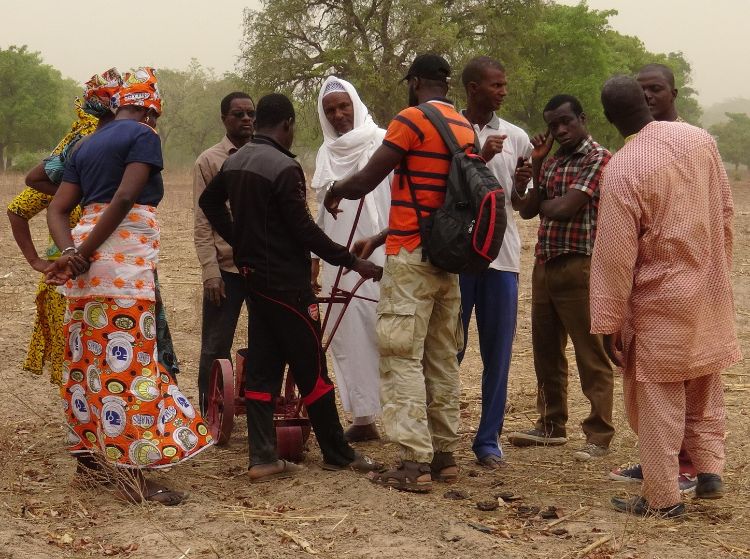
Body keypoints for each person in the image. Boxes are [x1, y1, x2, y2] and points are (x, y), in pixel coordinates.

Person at [46, 67, 212, 505]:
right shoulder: (143, 137)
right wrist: (87, 253)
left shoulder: (85, 145)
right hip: (122, 267)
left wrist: (72, 254)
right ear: (151, 111)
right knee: (129, 363)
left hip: (85, 271)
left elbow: (59, 210)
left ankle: (89, 465)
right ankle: (134, 476)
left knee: (87, 362)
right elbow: (124, 198)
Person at [199, 93, 383, 482]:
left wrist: (239, 240)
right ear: (287, 125)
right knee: (313, 368)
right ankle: (338, 452)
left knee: (263, 373)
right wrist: (353, 262)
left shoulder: (236, 161)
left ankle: (263, 457)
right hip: (287, 285)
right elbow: (304, 231)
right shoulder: (283, 167)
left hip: (254, 282)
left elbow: (209, 203)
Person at [324, 54, 475, 492]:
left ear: (415, 83)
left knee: (401, 356)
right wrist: (379, 237)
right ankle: (444, 455)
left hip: (411, 259)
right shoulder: (462, 126)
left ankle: (413, 462)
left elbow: (366, 179)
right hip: (447, 259)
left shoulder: (411, 120)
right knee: (442, 357)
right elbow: (439, 204)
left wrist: (335, 190)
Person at [593, 75, 741, 517]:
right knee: (705, 386)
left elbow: (615, 256)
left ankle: (662, 499)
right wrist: (715, 269)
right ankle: (710, 471)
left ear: (607, 118)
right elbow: (727, 212)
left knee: (658, 401)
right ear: (645, 101)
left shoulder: (622, 167)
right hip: (708, 293)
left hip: (661, 301)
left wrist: (608, 320)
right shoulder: (700, 140)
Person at [506, 94, 615, 461]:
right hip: (546, 264)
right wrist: (536, 167)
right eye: (553, 125)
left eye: (567, 121)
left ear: (582, 118)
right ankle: (551, 425)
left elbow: (564, 208)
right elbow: (527, 210)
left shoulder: (598, 158)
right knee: (546, 351)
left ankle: (598, 433)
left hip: (580, 265)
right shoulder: (551, 161)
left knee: (590, 353)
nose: (561, 130)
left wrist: (545, 205)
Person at [609, 63, 697, 491]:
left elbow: (615, 253)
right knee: (681, 382)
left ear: (674, 93)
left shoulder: (687, 144)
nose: (649, 97)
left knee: (662, 386)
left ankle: (669, 486)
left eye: (656, 89)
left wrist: (609, 319)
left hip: (666, 291)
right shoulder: (644, 153)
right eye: (642, 91)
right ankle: (672, 466)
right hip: (693, 286)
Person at [457, 57, 533, 468]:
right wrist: (480, 157)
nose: (503, 91)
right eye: (495, 85)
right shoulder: (451, 130)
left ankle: (488, 441)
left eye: (505, 85)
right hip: (459, 258)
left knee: (497, 355)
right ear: (472, 88)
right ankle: (442, 436)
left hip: (501, 260)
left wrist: (521, 186)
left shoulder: (516, 136)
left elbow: (520, 205)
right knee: (448, 351)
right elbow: (451, 191)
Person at [310, 76, 390, 441]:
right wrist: (315, 261)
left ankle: (408, 417)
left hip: (388, 246)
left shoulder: (384, 140)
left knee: (393, 333)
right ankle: (363, 418)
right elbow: (322, 213)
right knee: (348, 335)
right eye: (331, 111)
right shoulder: (326, 153)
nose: (339, 115)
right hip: (340, 257)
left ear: (356, 104)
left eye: (344, 106)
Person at [193, 91, 255, 414]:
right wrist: (210, 272)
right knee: (215, 347)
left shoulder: (267, 155)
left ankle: (254, 403)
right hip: (225, 271)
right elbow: (203, 222)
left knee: (265, 344)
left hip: (261, 269)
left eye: (250, 114)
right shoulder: (209, 161)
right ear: (224, 119)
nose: (246, 120)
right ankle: (209, 413)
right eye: (238, 114)